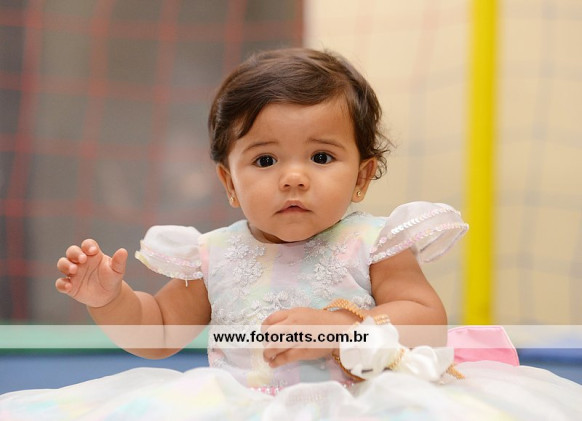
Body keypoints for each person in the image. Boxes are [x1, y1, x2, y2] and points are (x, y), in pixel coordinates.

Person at [1, 48, 581, 420]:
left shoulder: (373, 242)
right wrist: (110, 299)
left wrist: (344, 329)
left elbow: (426, 321)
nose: (294, 177)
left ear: (363, 176)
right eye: (265, 160)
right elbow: (159, 332)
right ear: (229, 182)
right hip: (240, 407)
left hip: (362, 404)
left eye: (322, 156)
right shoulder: (214, 254)